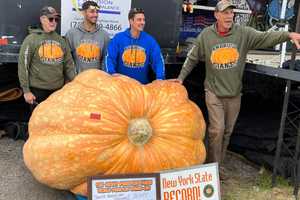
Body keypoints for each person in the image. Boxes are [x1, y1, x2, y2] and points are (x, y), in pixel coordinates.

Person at [171, 0, 300, 165]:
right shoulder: (206, 35)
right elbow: (192, 58)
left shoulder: (243, 34)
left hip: (234, 94)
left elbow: (265, 37)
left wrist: (288, 35)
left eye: (231, 13)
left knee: (227, 132)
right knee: (216, 130)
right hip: (213, 92)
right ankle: (211, 168)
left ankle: (218, 164)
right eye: (225, 13)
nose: (229, 16)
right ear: (216, 15)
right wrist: (181, 78)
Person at [18, 6, 75, 111]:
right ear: (42, 19)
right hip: (38, 92)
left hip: (57, 91)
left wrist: (76, 84)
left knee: (54, 123)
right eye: (50, 19)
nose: (53, 22)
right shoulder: (31, 39)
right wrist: (26, 91)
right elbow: (23, 65)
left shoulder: (61, 40)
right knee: (37, 123)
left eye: (56, 19)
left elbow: (69, 65)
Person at [104, 8, 165, 84]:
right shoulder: (118, 38)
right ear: (131, 21)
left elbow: (158, 60)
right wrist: (111, 73)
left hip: (141, 87)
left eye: (143, 20)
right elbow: (109, 58)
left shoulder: (150, 40)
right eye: (139, 20)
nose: (142, 22)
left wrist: (160, 77)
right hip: (121, 86)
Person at [65, 1, 110, 74]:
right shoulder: (71, 34)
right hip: (77, 81)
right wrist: (74, 77)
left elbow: (105, 60)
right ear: (83, 13)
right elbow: (68, 60)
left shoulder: (104, 35)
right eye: (92, 12)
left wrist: (102, 77)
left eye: (97, 12)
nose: (95, 15)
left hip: (96, 81)